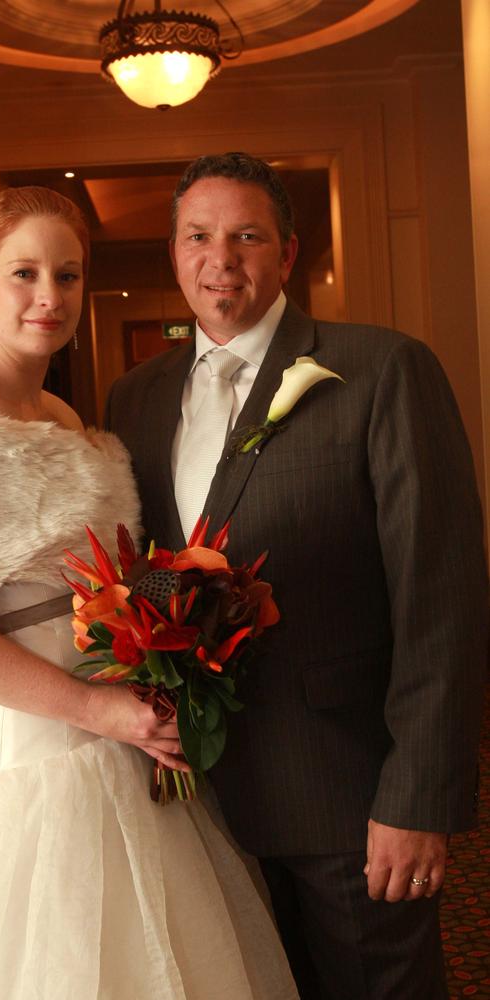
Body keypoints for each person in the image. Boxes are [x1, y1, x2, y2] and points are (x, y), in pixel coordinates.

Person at [0, 186, 299, 1000]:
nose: (50, 297)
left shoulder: (62, 412)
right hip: (32, 747)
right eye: (24, 273)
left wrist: (197, 587)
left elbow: (98, 579)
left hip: (124, 730)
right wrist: (96, 712)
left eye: (68, 274)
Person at [105, 153, 489, 999]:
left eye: (247, 235)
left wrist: (419, 797)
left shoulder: (383, 370)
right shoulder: (130, 399)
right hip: (197, 801)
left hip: (349, 794)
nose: (222, 259)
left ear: (287, 251)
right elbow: (149, 578)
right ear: (173, 253)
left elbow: (443, 598)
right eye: (198, 237)